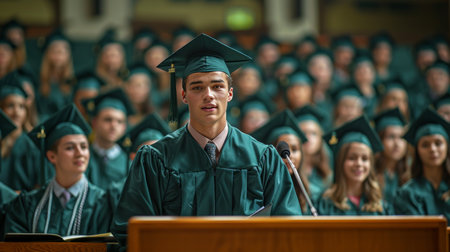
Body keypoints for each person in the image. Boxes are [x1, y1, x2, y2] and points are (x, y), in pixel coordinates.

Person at [111, 33, 301, 248]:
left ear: (230, 93)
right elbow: (132, 233)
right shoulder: (155, 159)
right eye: (197, 87)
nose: (208, 95)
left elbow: (288, 230)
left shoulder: (263, 158)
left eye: (217, 86)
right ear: (184, 95)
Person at [5, 104, 112, 235]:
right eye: (70, 148)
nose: (80, 153)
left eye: (84, 147)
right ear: (52, 156)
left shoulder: (102, 204)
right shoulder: (27, 205)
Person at [318, 116, 392, 215]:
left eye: (365, 159)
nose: (359, 164)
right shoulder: (325, 204)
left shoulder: (380, 205)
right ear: (341, 162)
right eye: (352, 158)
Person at [394, 108, 450, 223]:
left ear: (447, 147)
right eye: (425, 145)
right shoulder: (407, 194)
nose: (433, 149)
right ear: (417, 151)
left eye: (438, 143)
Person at [252, 109, 309, 214]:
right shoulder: (258, 191)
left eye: (295, 149)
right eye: (282, 150)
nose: (289, 155)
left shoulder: (311, 194)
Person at [0, 72, 44, 191]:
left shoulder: (33, 145)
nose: (16, 112)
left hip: (23, 207)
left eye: (21, 107)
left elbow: (39, 186)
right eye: (10, 106)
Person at [83, 88, 134, 190]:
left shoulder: (129, 165)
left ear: (124, 127)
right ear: (94, 122)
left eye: (119, 121)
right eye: (108, 120)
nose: (113, 126)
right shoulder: (82, 158)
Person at [293, 105, 333, 202]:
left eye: (313, 133)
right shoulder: (290, 171)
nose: (308, 138)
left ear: (320, 138)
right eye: (304, 133)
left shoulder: (327, 174)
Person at [373, 108, 410, 205]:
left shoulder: (410, 174)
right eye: (391, 137)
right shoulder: (370, 174)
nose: (397, 143)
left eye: (401, 137)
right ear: (379, 140)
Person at [38, 29, 75, 119]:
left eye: (62, 52)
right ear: (47, 54)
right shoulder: (38, 79)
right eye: (54, 51)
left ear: (68, 55)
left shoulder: (73, 80)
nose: (58, 56)